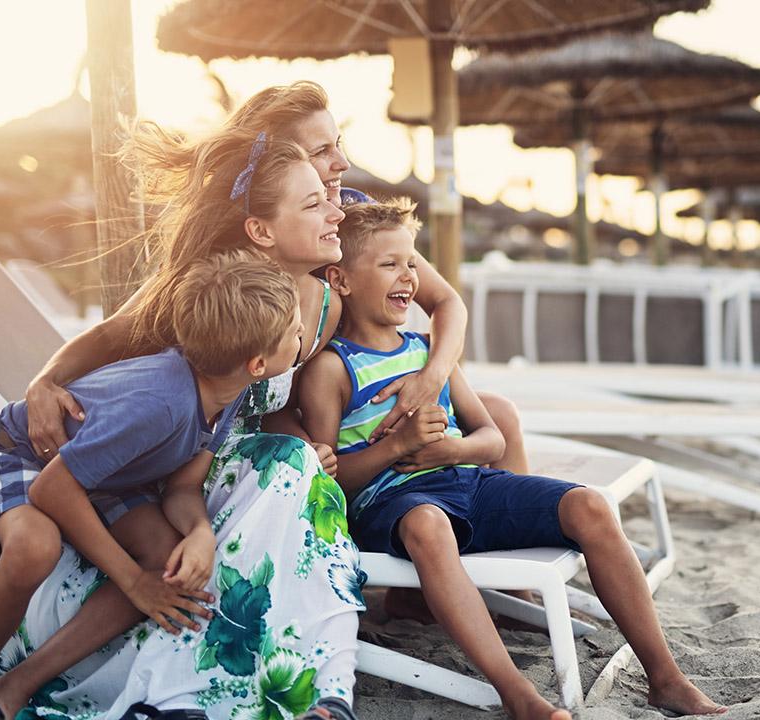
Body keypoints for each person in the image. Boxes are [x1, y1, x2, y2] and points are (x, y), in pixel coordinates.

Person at [0, 131, 366, 720]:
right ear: (260, 230)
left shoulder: (312, 306)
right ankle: (188, 687)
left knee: (290, 473)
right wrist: (43, 384)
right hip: (104, 457)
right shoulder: (213, 299)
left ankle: (319, 682)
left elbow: (256, 411)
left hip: (172, 463)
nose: (338, 205)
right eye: (314, 201)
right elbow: (109, 343)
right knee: (280, 480)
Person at [299, 198, 727, 720]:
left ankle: (666, 677)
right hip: (395, 505)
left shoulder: (429, 351)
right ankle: (516, 691)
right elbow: (331, 485)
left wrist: (450, 449)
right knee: (430, 526)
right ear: (340, 280)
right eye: (389, 264)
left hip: (470, 483)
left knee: (590, 507)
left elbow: (491, 440)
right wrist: (396, 448)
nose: (408, 276)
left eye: (412, 262)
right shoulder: (332, 370)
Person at [0, 248, 302, 720]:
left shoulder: (230, 391)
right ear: (256, 363)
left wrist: (200, 534)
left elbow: (182, 488)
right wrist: (132, 583)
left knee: (165, 569)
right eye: (294, 330)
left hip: (104, 473)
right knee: (35, 547)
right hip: (17, 451)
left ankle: (17, 684)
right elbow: (53, 487)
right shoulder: (161, 402)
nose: (300, 334)